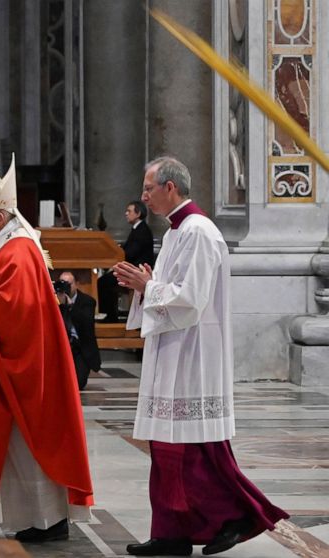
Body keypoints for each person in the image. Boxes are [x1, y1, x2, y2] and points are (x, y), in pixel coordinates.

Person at [115, 157, 288, 557]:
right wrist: (145, 286)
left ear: (170, 187)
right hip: (174, 349)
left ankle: (234, 517)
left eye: (148, 188)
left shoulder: (199, 232)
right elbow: (173, 288)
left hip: (194, 355)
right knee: (166, 447)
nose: (143, 196)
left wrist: (149, 286)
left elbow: (191, 299)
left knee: (191, 451)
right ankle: (171, 533)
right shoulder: (177, 233)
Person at [0, 152, 93, 542]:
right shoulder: (9, 246)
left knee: (25, 443)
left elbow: (18, 308)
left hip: (23, 367)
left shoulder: (19, 250)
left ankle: (45, 521)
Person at [98, 200, 154, 322]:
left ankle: (110, 318)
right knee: (104, 281)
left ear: (138, 213)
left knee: (103, 283)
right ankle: (110, 316)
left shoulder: (142, 230)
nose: (126, 213)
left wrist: (117, 252)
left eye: (129, 211)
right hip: (132, 268)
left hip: (136, 271)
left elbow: (129, 253)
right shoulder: (137, 229)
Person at [56, 271, 101, 390]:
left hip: (80, 348)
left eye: (68, 284)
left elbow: (85, 322)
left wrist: (67, 306)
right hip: (60, 347)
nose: (66, 287)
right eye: (62, 284)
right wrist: (59, 304)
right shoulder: (53, 300)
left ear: (76, 284)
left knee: (78, 383)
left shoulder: (88, 301)